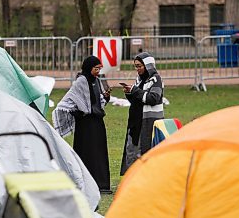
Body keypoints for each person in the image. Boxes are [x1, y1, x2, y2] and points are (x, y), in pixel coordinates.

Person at [52, 56, 112, 193]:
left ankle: (101, 184)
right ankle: (86, 183)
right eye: (96, 69)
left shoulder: (96, 81)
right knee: (86, 153)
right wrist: (77, 112)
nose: (98, 72)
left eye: (99, 69)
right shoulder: (80, 82)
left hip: (97, 123)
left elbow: (97, 101)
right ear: (88, 68)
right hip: (85, 125)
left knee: (99, 153)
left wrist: (106, 97)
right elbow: (67, 102)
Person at [120, 52, 164, 176]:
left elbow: (153, 98)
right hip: (135, 121)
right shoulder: (139, 80)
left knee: (145, 151)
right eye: (136, 66)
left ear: (147, 65)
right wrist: (129, 93)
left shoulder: (156, 79)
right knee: (132, 151)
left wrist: (135, 90)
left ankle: (145, 179)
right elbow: (137, 100)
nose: (137, 69)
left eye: (140, 66)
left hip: (148, 121)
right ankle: (132, 179)